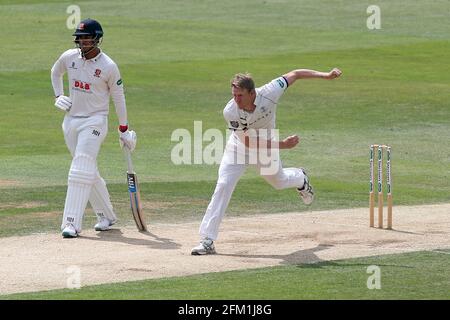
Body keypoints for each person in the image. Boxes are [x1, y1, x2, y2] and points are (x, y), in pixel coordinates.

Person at [191, 68, 342, 255]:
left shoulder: (270, 91)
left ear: (252, 93)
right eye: (233, 95)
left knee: (278, 182)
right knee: (223, 184)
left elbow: (295, 74)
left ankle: (300, 178)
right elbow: (248, 142)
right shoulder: (230, 111)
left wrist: (326, 75)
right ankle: (207, 239)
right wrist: (283, 145)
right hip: (238, 147)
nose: (236, 100)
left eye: (240, 95)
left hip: (266, 146)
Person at [51, 18, 137, 238]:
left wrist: (124, 129)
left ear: (97, 38)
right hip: (71, 121)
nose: (84, 41)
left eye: (88, 37)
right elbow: (55, 72)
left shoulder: (108, 66)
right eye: (81, 38)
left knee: (80, 168)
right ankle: (106, 215)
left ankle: (71, 223)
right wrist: (59, 95)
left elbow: (119, 98)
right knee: (87, 170)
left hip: (95, 121)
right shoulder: (69, 57)